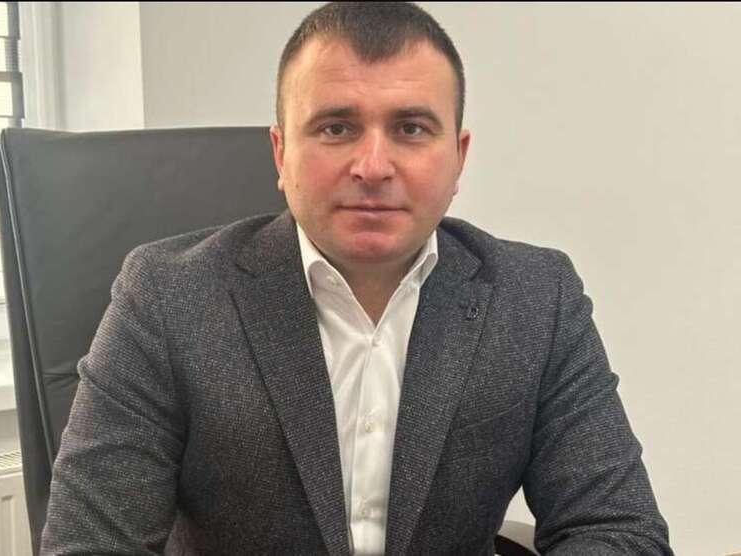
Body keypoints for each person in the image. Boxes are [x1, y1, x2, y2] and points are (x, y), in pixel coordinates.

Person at [41, 2, 672, 555]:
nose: (373, 166)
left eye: (411, 128)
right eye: (336, 127)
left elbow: (619, 530)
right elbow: (89, 545)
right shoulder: (166, 298)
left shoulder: (536, 298)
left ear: (458, 157)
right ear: (281, 153)